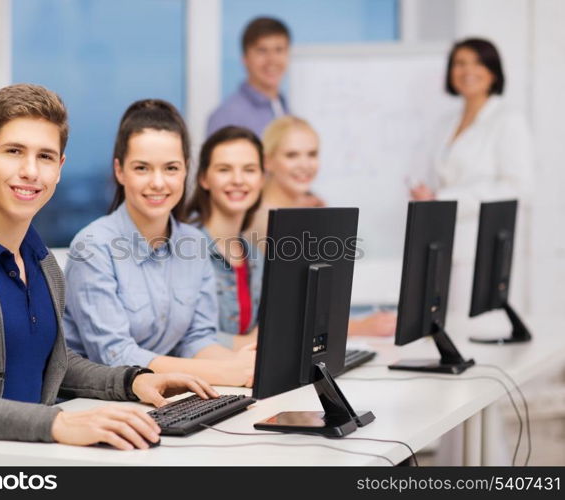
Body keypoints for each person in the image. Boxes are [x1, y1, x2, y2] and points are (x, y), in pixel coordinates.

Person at [0, 84, 218, 466]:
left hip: (28, 462)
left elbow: (53, 361)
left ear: (59, 168)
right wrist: (57, 423)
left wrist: (131, 381)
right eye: (14, 151)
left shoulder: (42, 264)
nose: (30, 171)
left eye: (45, 156)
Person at [63, 100, 256, 388]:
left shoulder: (194, 243)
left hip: (165, 399)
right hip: (97, 403)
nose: (158, 182)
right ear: (119, 171)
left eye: (171, 168)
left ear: (186, 171)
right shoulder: (92, 247)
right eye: (142, 168)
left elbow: (197, 339)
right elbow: (116, 355)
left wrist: (245, 365)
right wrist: (226, 374)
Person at [409, 38, 534, 316]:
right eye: (459, 63)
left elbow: (518, 188)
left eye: (477, 63)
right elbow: (441, 179)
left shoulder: (508, 119)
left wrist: (444, 198)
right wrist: (425, 192)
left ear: (493, 72)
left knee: (480, 331)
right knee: (444, 326)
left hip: (482, 246)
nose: (467, 71)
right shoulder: (446, 122)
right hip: (444, 244)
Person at [247, 116, 396, 337]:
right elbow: (290, 313)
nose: (305, 165)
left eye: (312, 154)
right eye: (292, 155)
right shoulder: (267, 221)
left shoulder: (304, 207)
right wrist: (360, 327)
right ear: (267, 161)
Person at [187, 126, 266, 350]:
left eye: (249, 170)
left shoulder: (256, 257)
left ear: (261, 179)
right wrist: (249, 343)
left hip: (242, 378)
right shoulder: (185, 248)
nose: (238, 180)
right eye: (224, 169)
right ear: (204, 178)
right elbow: (181, 337)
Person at [206, 17, 291, 137]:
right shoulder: (227, 117)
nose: (272, 60)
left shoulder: (284, 109)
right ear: (245, 58)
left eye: (279, 50)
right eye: (262, 50)